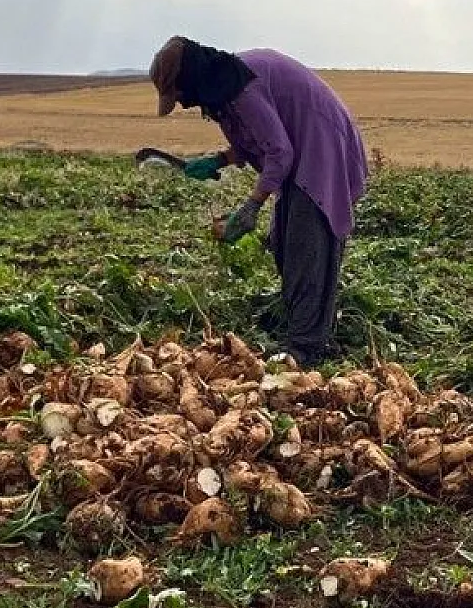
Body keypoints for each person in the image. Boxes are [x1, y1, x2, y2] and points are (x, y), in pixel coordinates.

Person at [149, 36, 368, 367]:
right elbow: (258, 140)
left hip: (322, 144)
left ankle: (304, 351)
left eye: (179, 93)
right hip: (303, 148)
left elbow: (280, 151)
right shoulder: (224, 87)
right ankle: (307, 328)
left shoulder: (240, 88)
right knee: (284, 242)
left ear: (190, 78)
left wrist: (251, 206)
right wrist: (218, 160)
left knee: (306, 246)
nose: (182, 102)